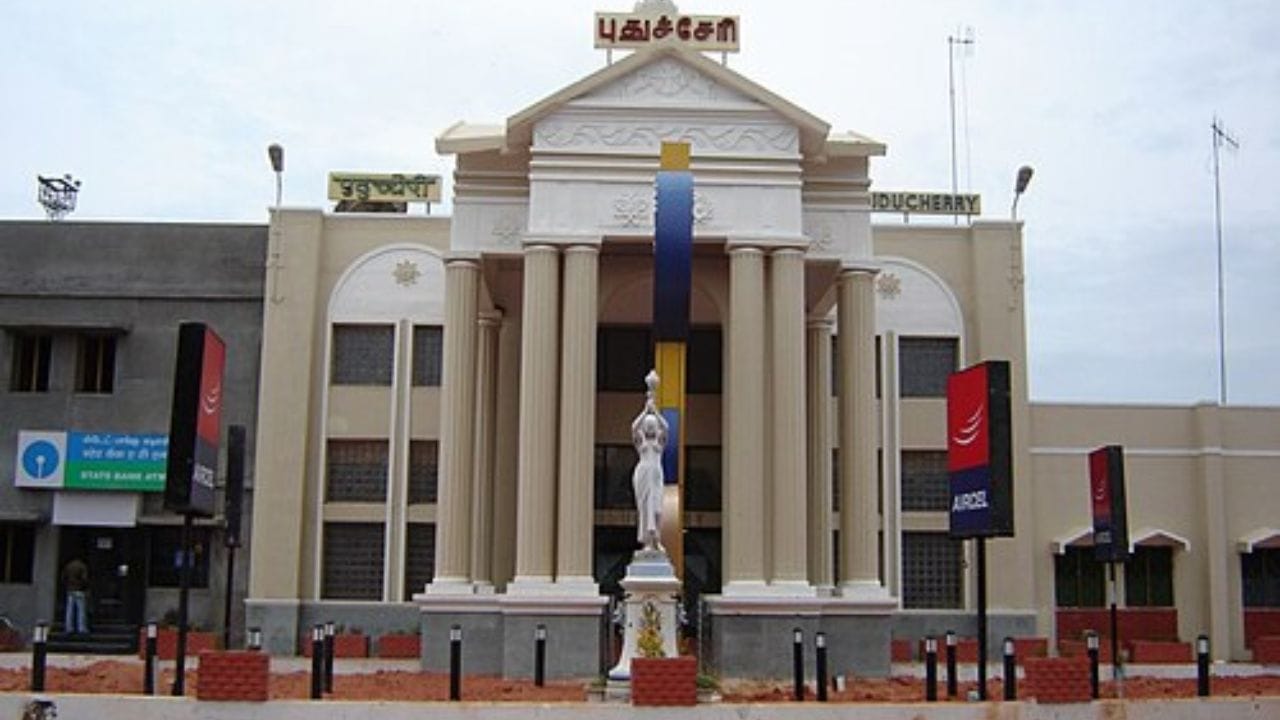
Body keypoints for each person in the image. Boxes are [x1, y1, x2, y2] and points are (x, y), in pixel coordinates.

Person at [631, 370, 669, 553]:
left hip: (656, 474)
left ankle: (657, 540)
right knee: (646, 510)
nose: (651, 428)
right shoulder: (642, 444)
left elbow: (666, 428)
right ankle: (648, 543)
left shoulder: (659, 443)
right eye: (649, 426)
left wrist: (656, 412)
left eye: (653, 426)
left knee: (658, 510)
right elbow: (633, 427)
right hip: (643, 474)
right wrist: (645, 411)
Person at [61, 557, 90, 635]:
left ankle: (69, 627)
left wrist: (67, 585)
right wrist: (85, 587)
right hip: (79, 589)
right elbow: (84, 578)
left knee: (69, 610)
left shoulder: (68, 566)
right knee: (81, 610)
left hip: (70, 589)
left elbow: (63, 577)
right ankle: (81, 628)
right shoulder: (82, 566)